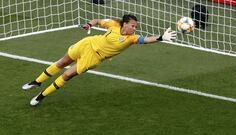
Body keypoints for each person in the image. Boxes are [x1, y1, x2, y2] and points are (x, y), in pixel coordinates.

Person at [22, 14, 177, 106]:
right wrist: (89, 24)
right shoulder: (114, 24)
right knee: (62, 62)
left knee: (67, 75)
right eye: (133, 26)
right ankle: (36, 82)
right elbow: (97, 21)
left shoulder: (131, 38)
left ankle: (41, 95)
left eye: (135, 26)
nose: (134, 28)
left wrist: (161, 37)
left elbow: (147, 39)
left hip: (94, 58)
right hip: (87, 44)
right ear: (125, 24)